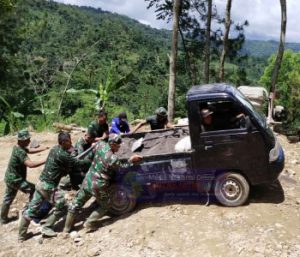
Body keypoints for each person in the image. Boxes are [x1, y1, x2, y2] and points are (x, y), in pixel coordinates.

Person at [18, 132, 91, 241]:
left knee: (31, 210)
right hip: (49, 186)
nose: (70, 142)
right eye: (68, 141)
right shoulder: (63, 155)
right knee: (62, 202)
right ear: (62, 142)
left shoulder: (54, 149)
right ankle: (47, 227)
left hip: (40, 183)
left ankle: (21, 236)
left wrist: (71, 152)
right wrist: (90, 160)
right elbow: (77, 163)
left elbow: (67, 161)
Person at [63, 135, 142, 234]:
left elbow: (91, 153)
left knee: (76, 203)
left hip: (87, 181)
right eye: (118, 145)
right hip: (98, 186)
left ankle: (66, 229)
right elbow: (122, 167)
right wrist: (131, 160)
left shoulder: (100, 145)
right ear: (112, 144)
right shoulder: (112, 158)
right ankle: (89, 223)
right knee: (106, 204)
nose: (119, 147)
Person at [0, 130, 48, 224]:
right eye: (27, 139)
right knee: (34, 190)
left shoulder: (18, 147)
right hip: (16, 180)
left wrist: (43, 148)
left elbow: (29, 150)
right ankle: (30, 212)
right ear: (21, 140)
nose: (29, 141)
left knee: (8, 198)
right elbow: (30, 164)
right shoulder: (20, 151)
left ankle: (3, 218)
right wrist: (45, 160)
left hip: (10, 178)